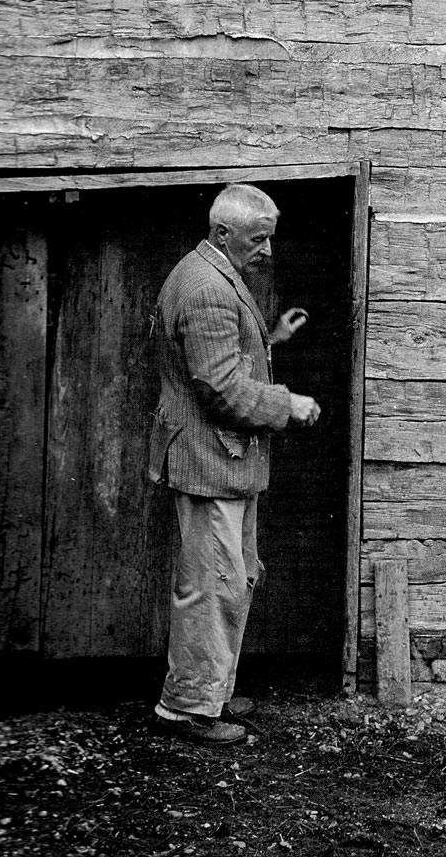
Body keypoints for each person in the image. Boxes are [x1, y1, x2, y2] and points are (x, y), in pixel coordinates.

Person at [148, 183, 321, 746]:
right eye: (259, 239)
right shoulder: (205, 288)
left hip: (223, 459)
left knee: (234, 577)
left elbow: (221, 356)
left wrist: (268, 337)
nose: (267, 250)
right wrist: (285, 403)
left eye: (270, 239)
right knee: (213, 583)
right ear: (223, 233)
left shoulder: (215, 273)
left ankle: (212, 689)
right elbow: (219, 387)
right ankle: (188, 706)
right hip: (210, 458)